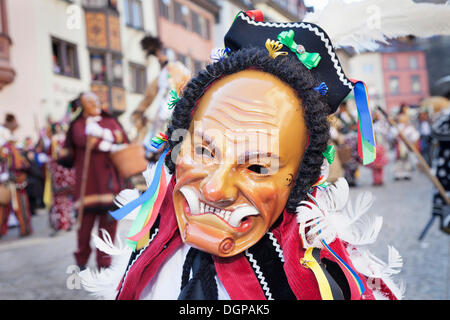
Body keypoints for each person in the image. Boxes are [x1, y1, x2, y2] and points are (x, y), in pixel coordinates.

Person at [80, 10, 405, 300]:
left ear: (302, 181)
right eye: (204, 151)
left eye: (257, 166)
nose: (213, 189)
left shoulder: (316, 281)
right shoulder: (153, 257)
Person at [63, 92, 129, 269]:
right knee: (83, 229)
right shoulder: (77, 124)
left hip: (109, 185)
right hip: (88, 187)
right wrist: (107, 140)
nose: (96, 104)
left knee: (108, 228)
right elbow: (82, 140)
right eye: (90, 102)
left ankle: (104, 263)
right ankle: (81, 260)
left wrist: (103, 137)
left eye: (97, 101)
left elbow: (122, 137)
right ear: (83, 105)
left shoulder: (110, 121)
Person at [132, 35, 191, 152]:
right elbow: (149, 97)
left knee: (154, 147)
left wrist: (139, 113)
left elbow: (165, 95)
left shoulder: (171, 71)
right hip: (175, 115)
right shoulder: (170, 72)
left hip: (170, 116)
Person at [0, 114, 32, 237]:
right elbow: (17, 164)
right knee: (14, 205)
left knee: (14, 206)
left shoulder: (9, 146)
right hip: (11, 180)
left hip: (11, 180)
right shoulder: (8, 147)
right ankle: (24, 228)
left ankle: (24, 228)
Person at [393, 106, 420, 180]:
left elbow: (415, 136)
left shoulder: (409, 127)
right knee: (399, 160)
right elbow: (393, 135)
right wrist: (398, 136)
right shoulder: (397, 126)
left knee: (406, 159)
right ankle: (398, 174)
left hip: (406, 145)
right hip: (399, 145)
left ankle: (406, 173)